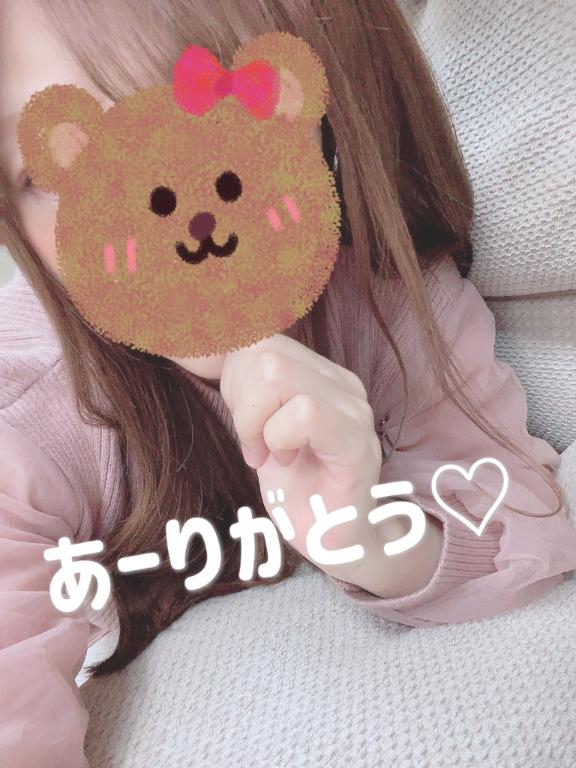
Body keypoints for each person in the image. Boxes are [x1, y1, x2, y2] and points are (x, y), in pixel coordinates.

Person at [1, 1, 575, 766]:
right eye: (56, 175)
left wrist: (363, 533)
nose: (167, 221)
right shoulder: (28, 418)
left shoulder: (385, 302)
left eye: (210, 114)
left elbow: (517, 522)